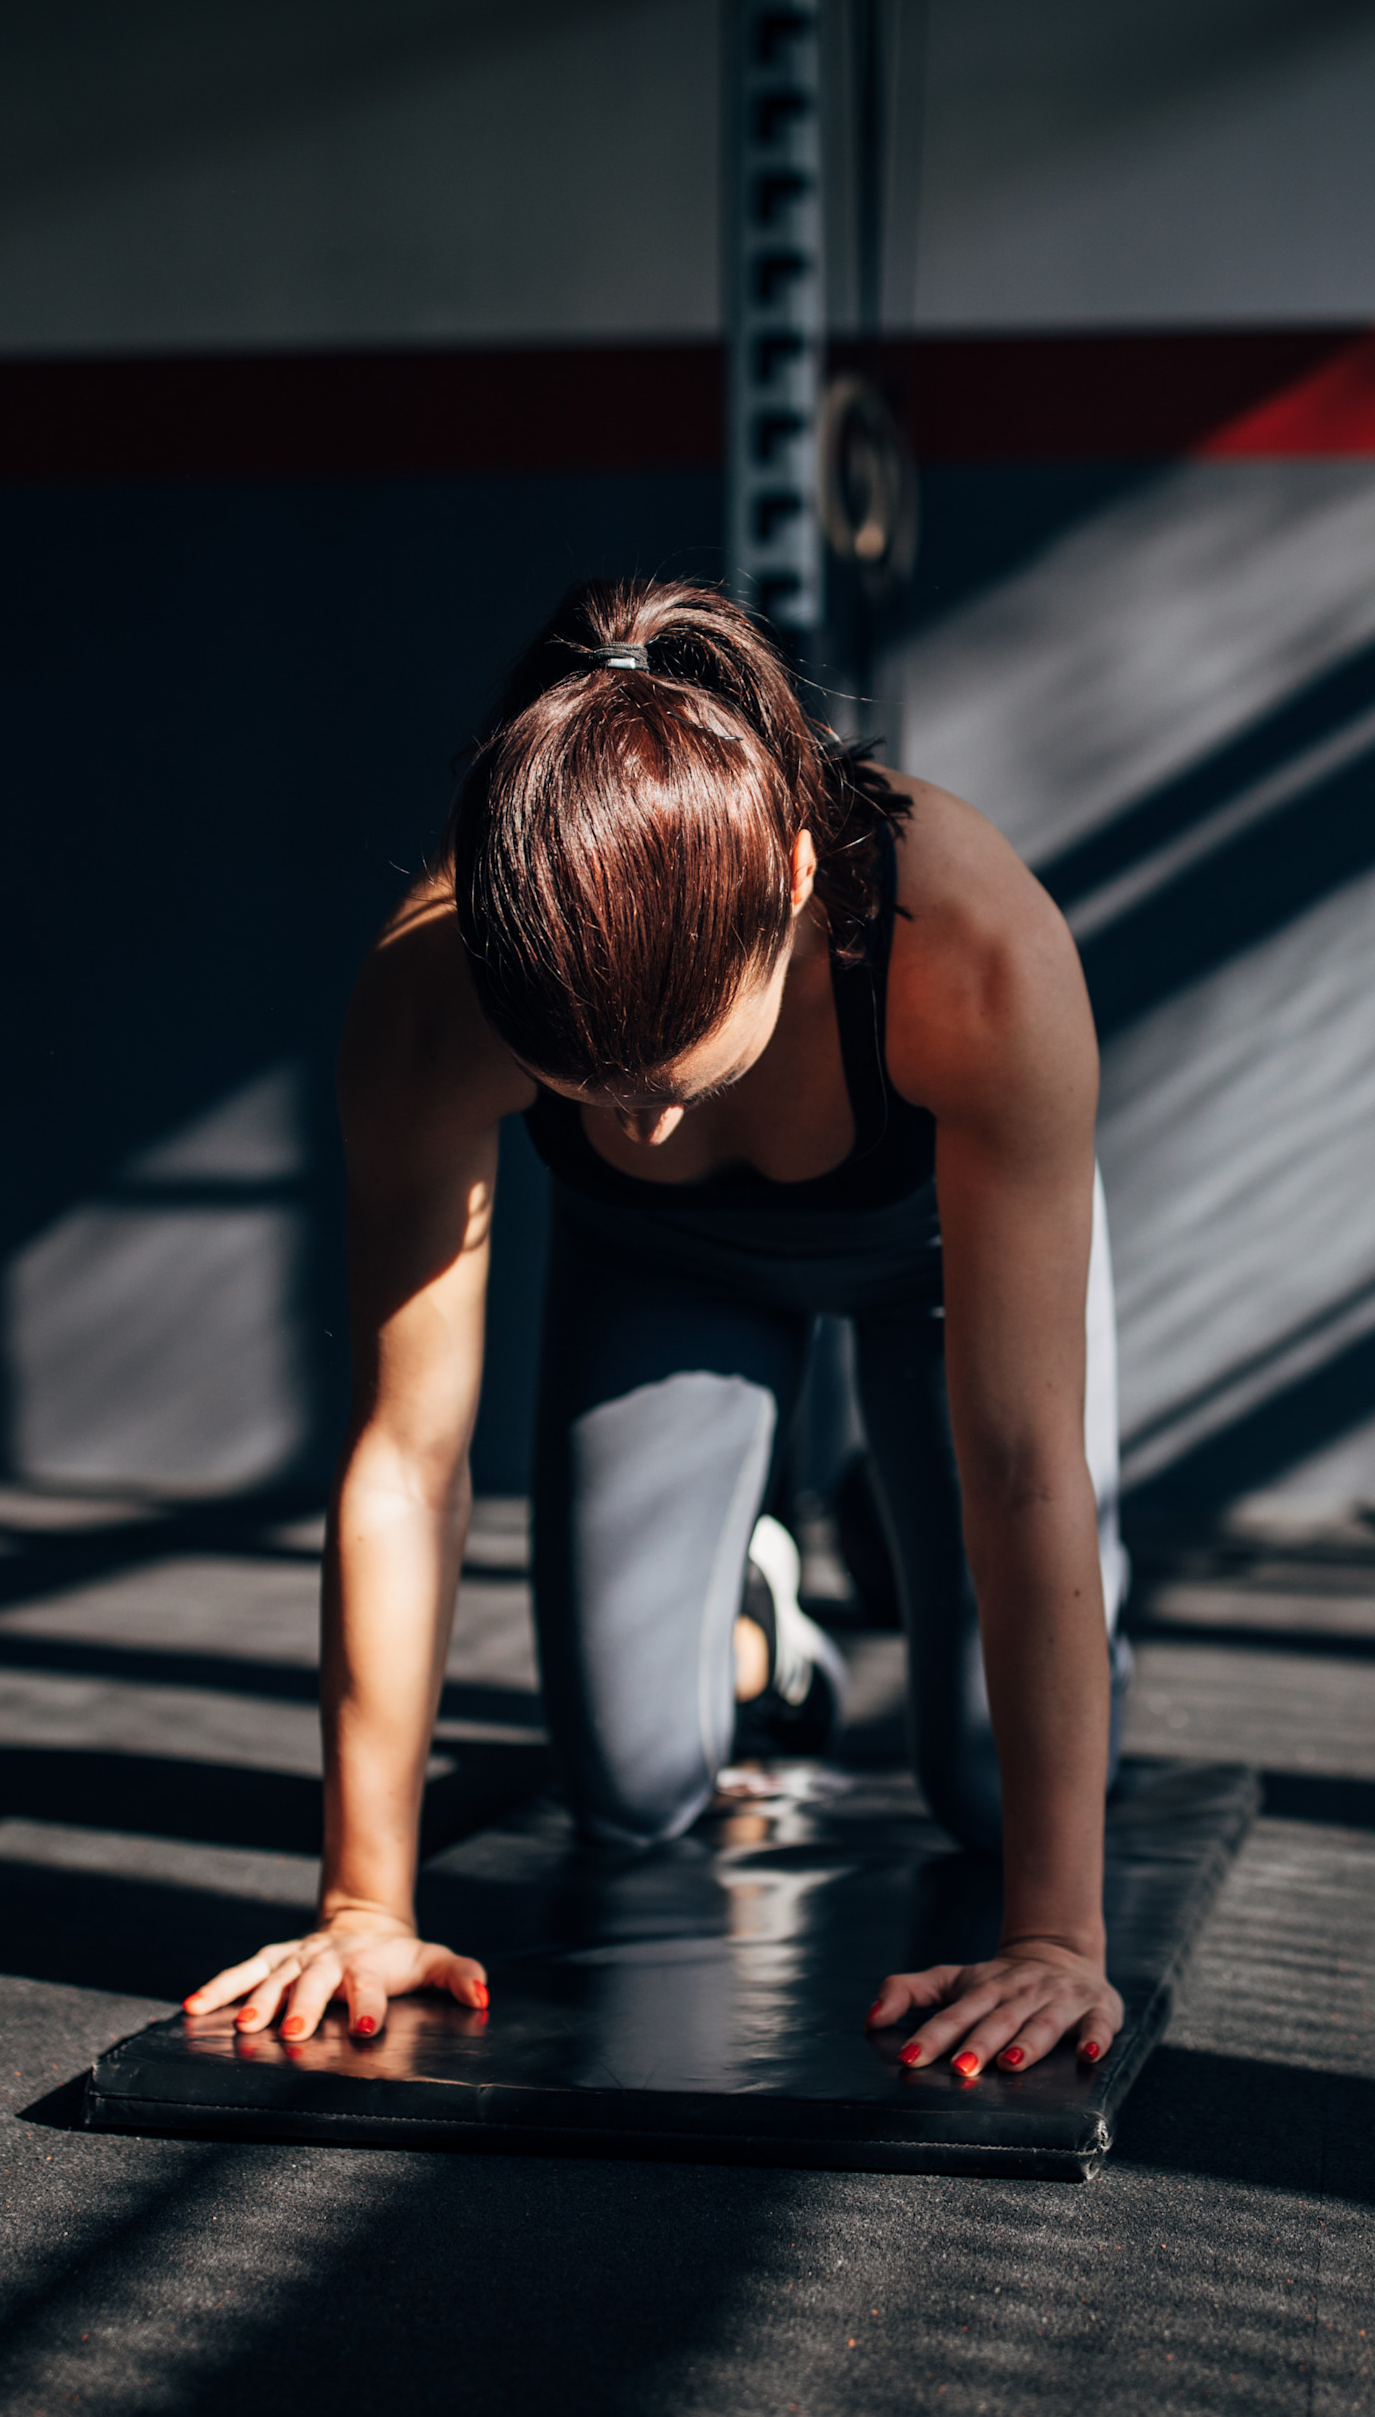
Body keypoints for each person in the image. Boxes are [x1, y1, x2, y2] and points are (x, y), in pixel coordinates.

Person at [180, 578, 1131, 2083]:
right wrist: (364, 1902)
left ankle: (890, 1540)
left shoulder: (974, 952)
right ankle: (761, 1616)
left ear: (799, 884)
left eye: (680, 1078)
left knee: (992, 1798)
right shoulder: (435, 993)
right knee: (628, 1795)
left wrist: (1057, 1941)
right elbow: (403, 1465)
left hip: (938, 1263)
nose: (652, 1120)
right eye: (601, 1095)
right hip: (661, 1272)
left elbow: (1023, 1465)